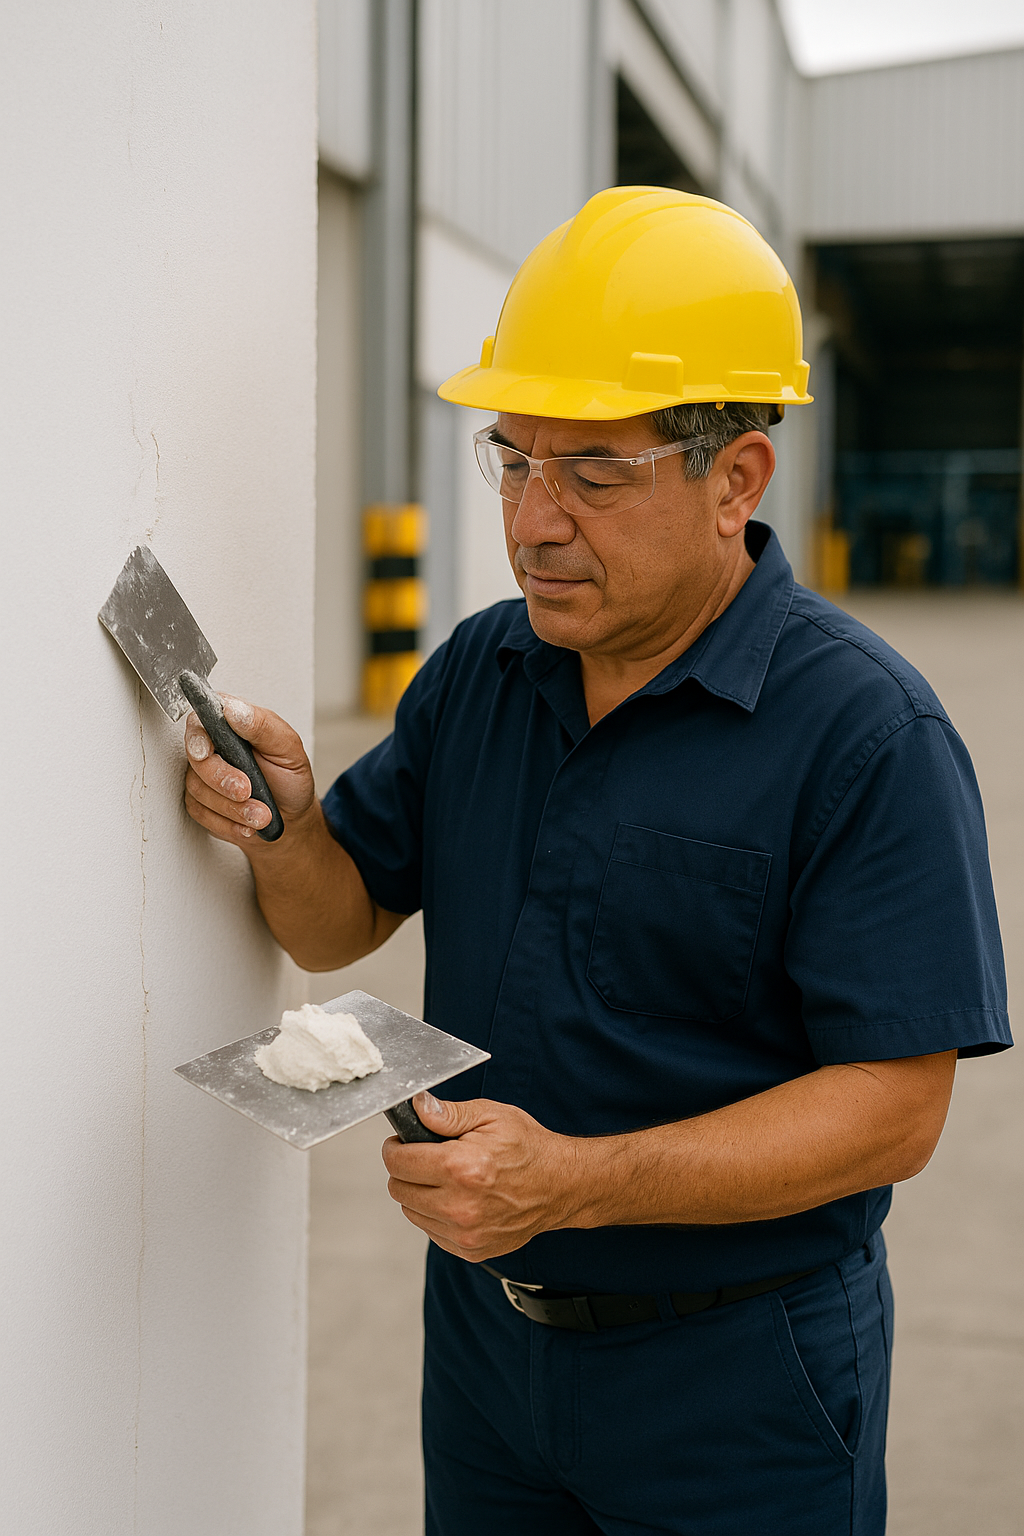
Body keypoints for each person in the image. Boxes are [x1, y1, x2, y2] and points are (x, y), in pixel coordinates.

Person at [183, 188, 1011, 1535]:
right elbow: (338, 924)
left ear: (737, 477)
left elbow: (894, 1109)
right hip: (490, 1356)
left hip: (737, 1378)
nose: (533, 522)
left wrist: (575, 1180)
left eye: (594, 473)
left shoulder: (865, 733)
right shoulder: (485, 673)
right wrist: (292, 824)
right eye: (513, 460)